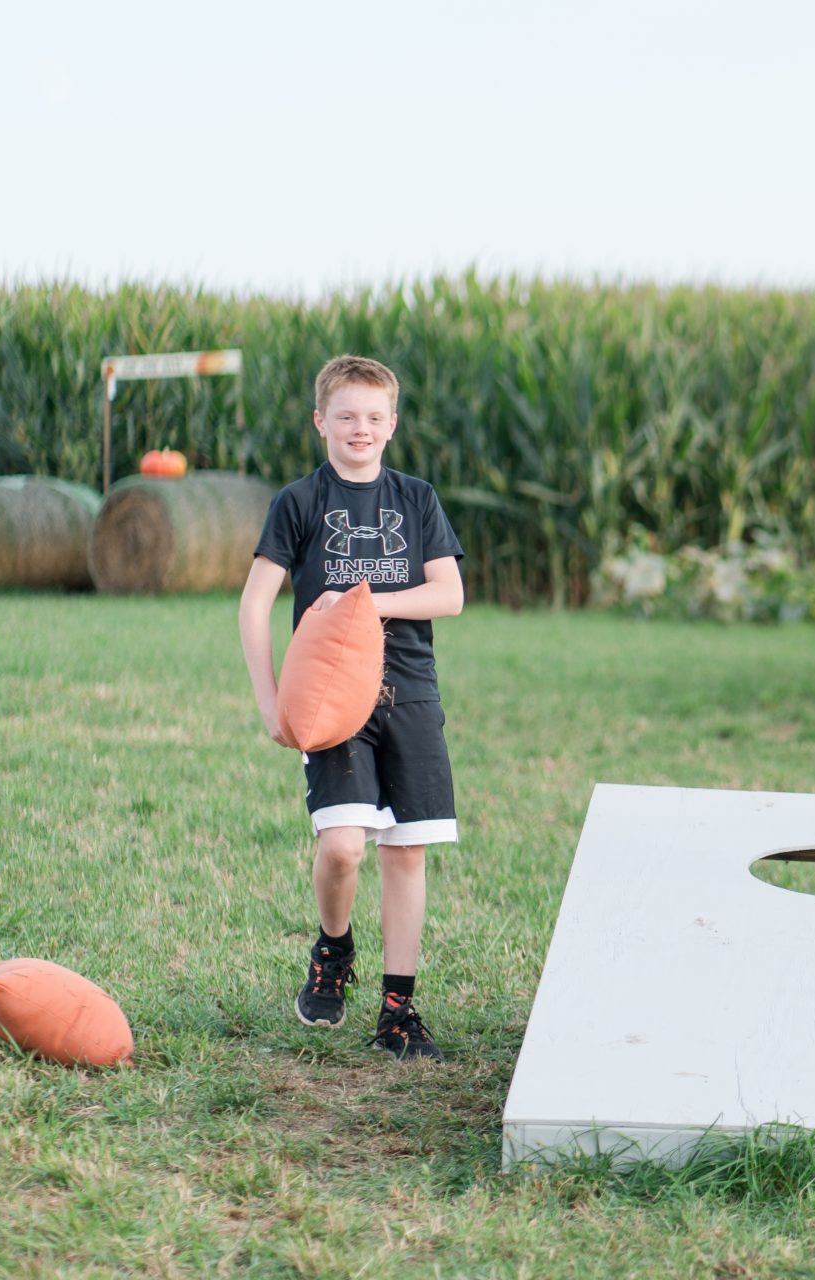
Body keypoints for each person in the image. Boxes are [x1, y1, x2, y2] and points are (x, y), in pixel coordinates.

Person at [238, 355, 464, 1061]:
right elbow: (254, 603)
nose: (359, 428)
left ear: (391, 425)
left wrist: (365, 600)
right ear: (321, 423)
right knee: (341, 847)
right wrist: (270, 698)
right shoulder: (299, 502)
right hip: (331, 693)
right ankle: (333, 950)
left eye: (373, 417)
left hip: (409, 691)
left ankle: (397, 1011)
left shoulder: (416, 498)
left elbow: (448, 595)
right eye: (346, 416)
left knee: (405, 850)